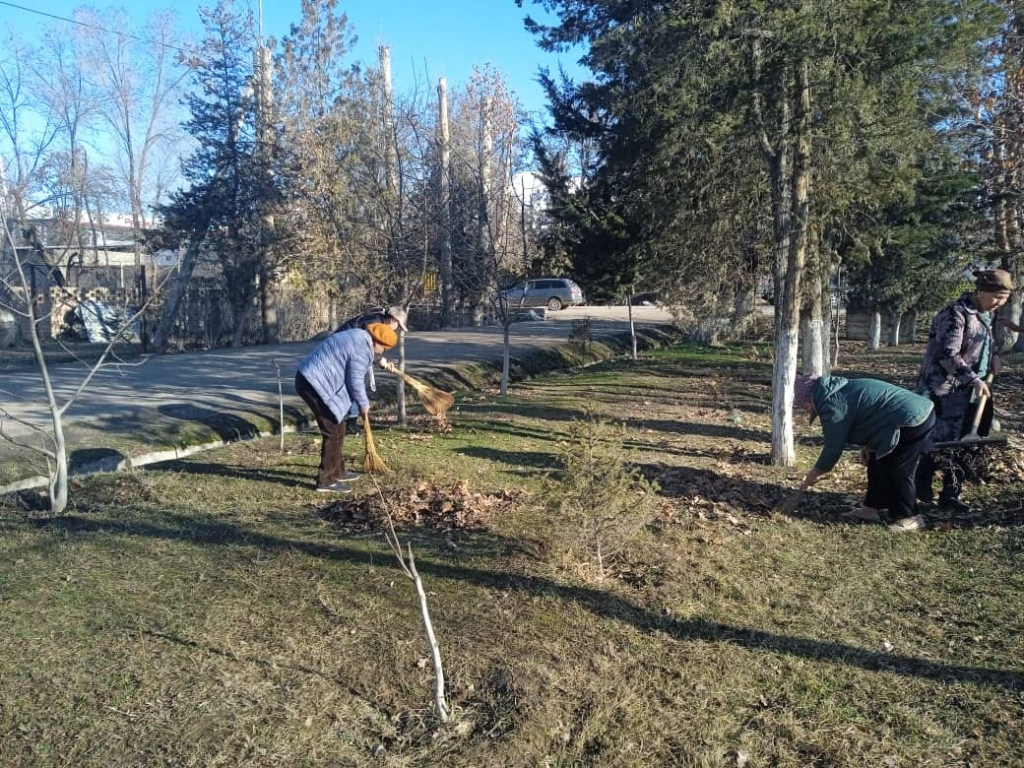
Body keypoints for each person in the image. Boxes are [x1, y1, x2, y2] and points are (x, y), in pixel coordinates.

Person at [915, 268, 1013, 514]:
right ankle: (921, 484)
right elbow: (948, 355)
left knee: (968, 444)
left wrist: (995, 357)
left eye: (1004, 299)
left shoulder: (986, 315)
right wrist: (972, 379)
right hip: (943, 392)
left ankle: (951, 493)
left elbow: (982, 346)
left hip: (974, 393)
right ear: (980, 291)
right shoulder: (955, 314)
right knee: (938, 442)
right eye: (996, 298)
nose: (999, 304)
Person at [796, 374, 936, 525]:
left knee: (898, 469)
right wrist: (869, 445)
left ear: (810, 399)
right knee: (876, 462)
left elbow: (833, 447)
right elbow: (869, 413)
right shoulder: (835, 391)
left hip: (911, 418)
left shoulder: (830, 403)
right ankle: (871, 508)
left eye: (806, 407)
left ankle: (909, 517)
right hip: (899, 417)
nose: (809, 410)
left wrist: (814, 473)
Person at [295, 322, 398, 493]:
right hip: (313, 384)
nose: (384, 351)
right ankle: (326, 481)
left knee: (339, 427)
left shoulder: (359, 336)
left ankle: (338, 471)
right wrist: (364, 405)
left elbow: (360, 363)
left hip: (313, 379)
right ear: (377, 342)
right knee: (333, 431)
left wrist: (382, 363)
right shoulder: (362, 348)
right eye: (384, 348)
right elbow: (355, 380)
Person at [334, 306, 409, 434]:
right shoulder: (374, 323)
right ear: (392, 320)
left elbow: (375, 348)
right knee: (354, 386)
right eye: (398, 325)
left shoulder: (377, 320)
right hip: (340, 351)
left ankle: (349, 423)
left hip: (346, 352)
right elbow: (366, 345)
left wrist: (383, 360)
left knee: (356, 386)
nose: (397, 330)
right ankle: (345, 424)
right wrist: (380, 360)